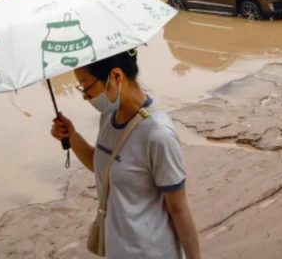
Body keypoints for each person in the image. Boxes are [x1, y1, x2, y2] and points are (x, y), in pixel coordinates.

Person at [51, 50, 201, 259]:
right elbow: (103, 166)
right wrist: (72, 136)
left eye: (86, 86)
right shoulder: (108, 115)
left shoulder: (158, 134)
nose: (85, 96)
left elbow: (179, 209)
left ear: (116, 76)